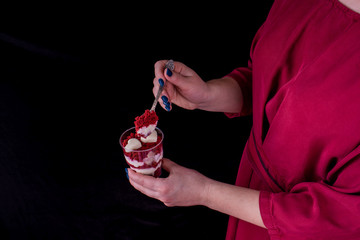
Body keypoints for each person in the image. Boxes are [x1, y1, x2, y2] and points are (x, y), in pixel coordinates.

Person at [127, 0, 360, 239]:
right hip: (249, 194)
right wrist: (206, 95)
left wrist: (205, 193)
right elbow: (268, 84)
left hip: (295, 227)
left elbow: (338, 216)